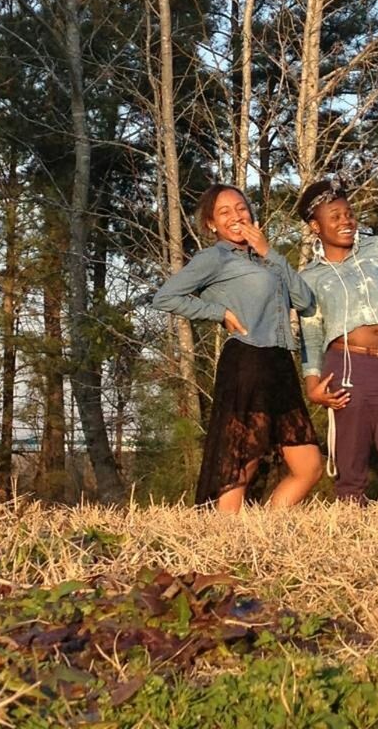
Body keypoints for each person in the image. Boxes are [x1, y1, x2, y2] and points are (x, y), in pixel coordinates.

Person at [152, 184, 329, 512]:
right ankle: (225, 537)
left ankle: (267, 531)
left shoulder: (266, 258)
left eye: (241, 208)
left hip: (279, 363)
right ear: (211, 224)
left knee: (309, 465)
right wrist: (219, 313)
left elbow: (305, 301)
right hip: (247, 360)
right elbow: (165, 297)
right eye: (224, 212)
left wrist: (269, 253)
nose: (236, 216)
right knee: (241, 461)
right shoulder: (214, 258)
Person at [297, 180, 378, 503]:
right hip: (348, 367)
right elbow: (311, 335)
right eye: (335, 217)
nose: (346, 222)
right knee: (350, 464)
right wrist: (313, 386)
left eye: (349, 214)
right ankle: (351, 535)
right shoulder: (309, 277)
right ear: (316, 226)